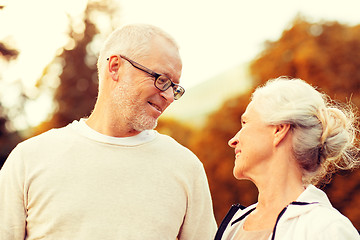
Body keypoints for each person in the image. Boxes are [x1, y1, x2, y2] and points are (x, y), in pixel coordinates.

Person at [0, 24, 217, 240]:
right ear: (115, 67)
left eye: (175, 88)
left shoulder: (186, 167)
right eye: (162, 80)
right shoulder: (28, 159)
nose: (169, 96)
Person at [214, 77, 360, 240]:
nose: (233, 140)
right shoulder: (233, 227)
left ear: (279, 130)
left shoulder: (327, 230)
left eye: (245, 123)